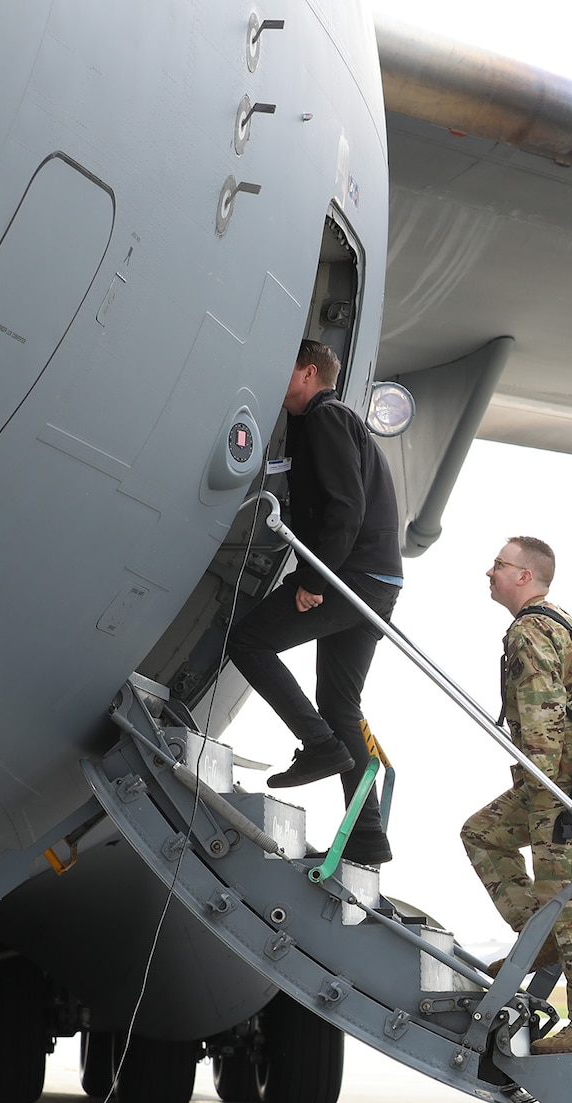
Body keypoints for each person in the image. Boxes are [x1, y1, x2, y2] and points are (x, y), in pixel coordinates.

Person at [226, 339, 403, 864]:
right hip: (377, 581)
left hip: (349, 578)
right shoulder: (330, 423)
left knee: (249, 641)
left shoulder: (327, 418)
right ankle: (367, 839)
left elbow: (346, 509)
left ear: (308, 373)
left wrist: (315, 578)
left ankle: (320, 746)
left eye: (283, 369)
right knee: (342, 706)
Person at [462, 536, 572, 1056]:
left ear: (525, 576)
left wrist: (550, 795)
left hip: (558, 785)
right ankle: (539, 936)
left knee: (571, 897)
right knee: (482, 833)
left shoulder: (530, 629)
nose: (490, 571)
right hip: (565, 780)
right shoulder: (562, 621)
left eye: (500, 565)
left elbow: (543, 716)